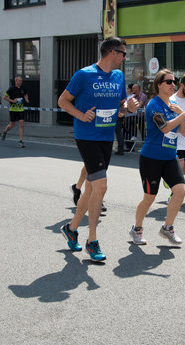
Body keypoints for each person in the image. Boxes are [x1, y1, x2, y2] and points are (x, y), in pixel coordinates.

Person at [58, 36, 138, 262]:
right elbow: (63, 101)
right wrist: (81, 115)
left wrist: (128, 107)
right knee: (101, 186)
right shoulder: (84, 75)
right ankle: (92, 240)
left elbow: (121, 108)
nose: (125, 57)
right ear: (112, 52)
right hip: (87, 136)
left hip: (106, 136)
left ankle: (71, 228)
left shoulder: (119, 76)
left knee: (92, 189)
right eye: (123, 53)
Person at [129, 69, 185, 246]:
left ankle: (168, 227)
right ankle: (137, 228)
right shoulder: (154, 104)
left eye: (174, 81)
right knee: (150, 197)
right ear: (159, 84)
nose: (173, 84)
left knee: (180, 191)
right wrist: (184, 114)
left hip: (169, 156)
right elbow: (165, 128)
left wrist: (181, 113)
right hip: (151, 157)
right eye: (169, 82)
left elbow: (182, 130)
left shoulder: (173, 104)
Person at [1, 76, 29, 148]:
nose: (20, 82)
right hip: (13, 109)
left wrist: (26, 99)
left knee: (21, 124)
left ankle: (20, 141)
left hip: (21, 109)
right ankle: (5, 132)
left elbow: (25, 94)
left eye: (21, 81)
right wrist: (12, 101)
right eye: (19, 81)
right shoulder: (12, 89)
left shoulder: (23, 88)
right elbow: (5, 97)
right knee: (12, 125)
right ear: (16, 81)